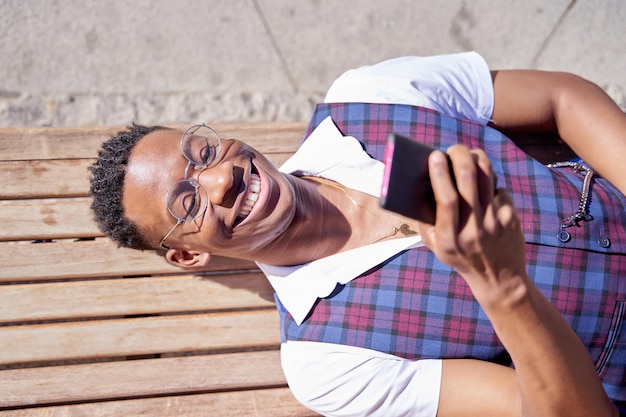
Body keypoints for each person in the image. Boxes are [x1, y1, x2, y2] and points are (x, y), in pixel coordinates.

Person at [90, 52, 625, 417]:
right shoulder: (325, 360)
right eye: (188, 202)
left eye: (203, 152)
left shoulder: (367, 97)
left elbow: (560, 97)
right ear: (188, 255)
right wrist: (501, 288)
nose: (222, 177)